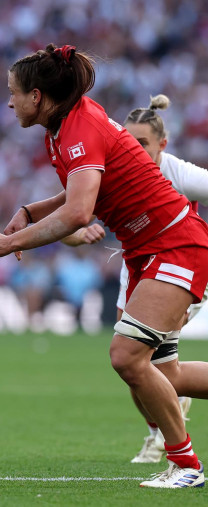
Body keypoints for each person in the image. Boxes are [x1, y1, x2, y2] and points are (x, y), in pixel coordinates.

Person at [0, 44, 208, 488]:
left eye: (13, 92)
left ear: (37, 96)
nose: (8, 101)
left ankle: (188, 466)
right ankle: (184, 463)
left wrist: (10, 242)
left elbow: (79, 213)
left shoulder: (78, 127)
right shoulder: (65, 126)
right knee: (165, 373)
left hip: (173, 245)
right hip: (147, 249)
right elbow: (88, 186)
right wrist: (31, 210)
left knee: (127, 357)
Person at [63, 94, 208, 464]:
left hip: (177, 264)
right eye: (128, 141)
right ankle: (159, 433)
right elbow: (67, 220)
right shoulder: (112, 167)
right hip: (138, 266)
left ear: (163, 144)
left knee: (134, 357)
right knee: (149, 369)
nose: (134, 149)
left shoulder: (179, 173)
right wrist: (75, 234)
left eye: (142, 143)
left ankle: (169, 443)